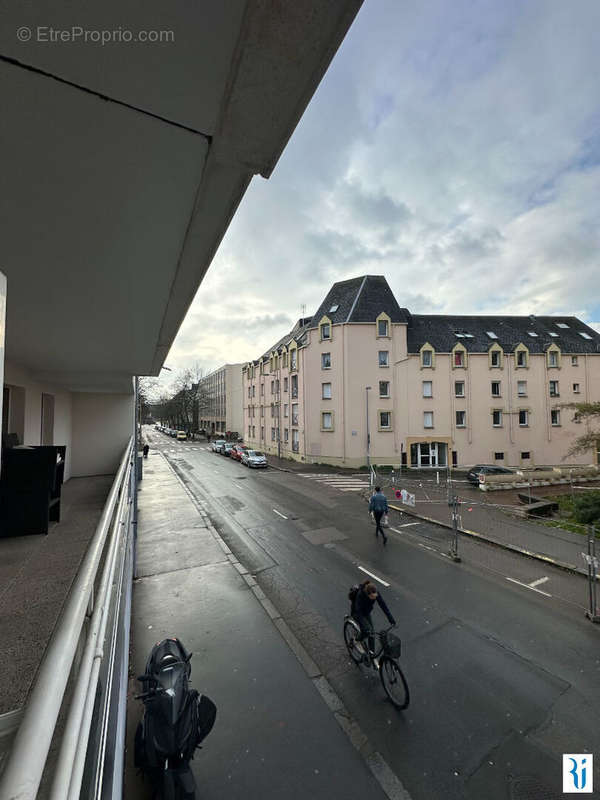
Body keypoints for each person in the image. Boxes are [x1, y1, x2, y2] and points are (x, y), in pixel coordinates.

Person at [352, 580, 396, 660]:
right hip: (357, 613)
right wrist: (366, 627)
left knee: (371, 633)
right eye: (373, 597)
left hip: (366, 612)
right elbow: (358, 612)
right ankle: (356, 640)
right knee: (367, 631)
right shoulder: (360, 595)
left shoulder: (375, 593)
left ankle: (371, 654)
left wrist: (391, 619)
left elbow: (383, 605)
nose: (374, 598)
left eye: (376, 596)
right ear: (368, 594)